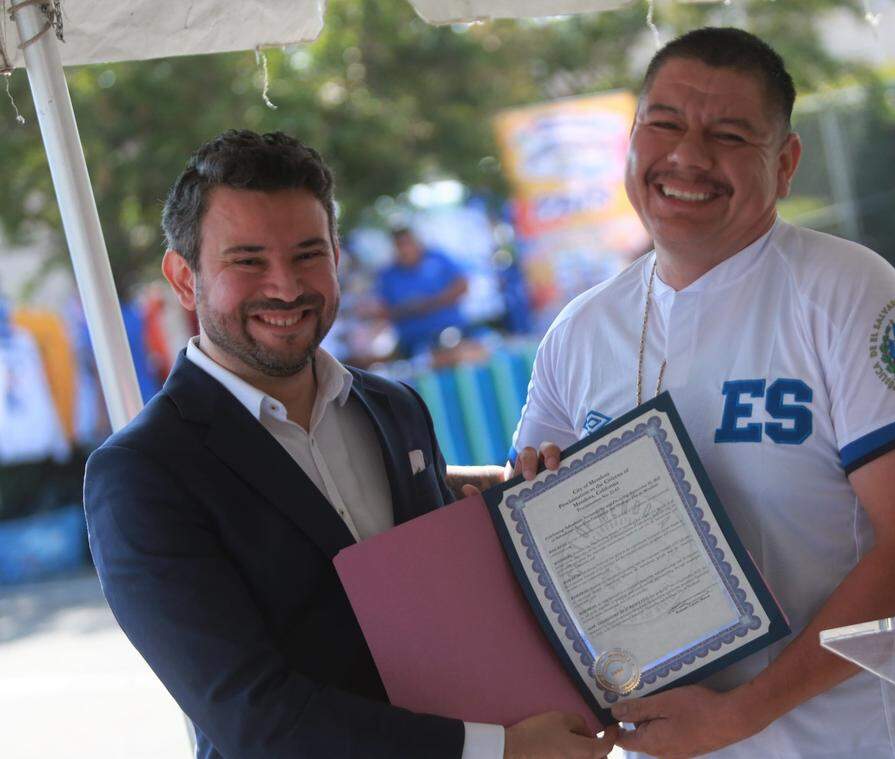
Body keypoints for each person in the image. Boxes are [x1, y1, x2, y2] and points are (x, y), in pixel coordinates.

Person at [510, 28, 895, 759]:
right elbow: (537, 562)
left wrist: (740, 715)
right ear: (630, 139)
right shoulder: (579, 332)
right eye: (664, 124)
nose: (688, 157)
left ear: (784, 163)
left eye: (729, 135)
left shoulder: (851, 294)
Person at [83, 130, 615, 759]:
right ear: (183, 277)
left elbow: (443, 603)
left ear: (336, 256)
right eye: (248, 261)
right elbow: (255, 720)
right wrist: (499, 750)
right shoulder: (142, 473)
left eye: (308, 254)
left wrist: (531, 503)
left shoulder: (394, 408)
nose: (286, 287)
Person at [374, 227, 468, 356]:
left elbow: (463, 286)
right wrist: (408, 309)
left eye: (408, 243)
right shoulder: (388, 276)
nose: (405, 249)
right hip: (415, 345)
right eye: (400, 245)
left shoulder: (438, 259)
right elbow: (383, 312)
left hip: (454, 333)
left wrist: (430, 303)